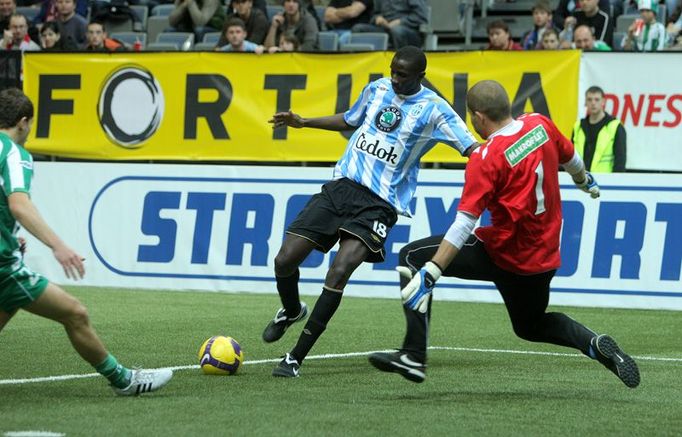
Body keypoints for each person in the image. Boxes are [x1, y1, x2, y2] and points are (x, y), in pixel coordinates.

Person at [367, 80, 640, 390]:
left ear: (479, 117)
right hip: (543, 259)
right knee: (530, 324)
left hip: (503, 253)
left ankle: (414, 356)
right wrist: (583, 179)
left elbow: (464, 223)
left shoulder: (486, 157)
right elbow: (572, 158)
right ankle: (593, 344)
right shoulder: (541, 125)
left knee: (411, 257)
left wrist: (431, 272)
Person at [263, 46, 478, 378]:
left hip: (379, 204)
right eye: (392, 70)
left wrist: (505, 158)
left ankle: (295, 357)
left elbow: (472, 148)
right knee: (284, 259)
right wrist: (303, 122)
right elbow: (350, 119)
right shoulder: (377, 89)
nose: (394, 78)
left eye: (402, 74)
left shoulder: (435, 110)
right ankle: (291, 310)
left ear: (420, 76)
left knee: (340, 270)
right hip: (341, 188)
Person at [0, 88, 173, 396]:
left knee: (10, 305)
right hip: (4, 267)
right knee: (75, 313)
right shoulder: (14, 154)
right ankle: (124, 380)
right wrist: (58, 246)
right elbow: (19, 204)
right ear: (24, 122)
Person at [572, 86, 626, 172]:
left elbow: (620, 161)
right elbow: (571, 157)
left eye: (597, 99)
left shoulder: (615, 126)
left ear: (603, 102)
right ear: (585, 102)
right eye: (589, 100)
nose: (593, 103)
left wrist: (616, 183)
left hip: (606, 182)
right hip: (580, 180)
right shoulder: (578, 126)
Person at [351, 0, 427, 49]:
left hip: (408, 30)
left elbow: (421, 16)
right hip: (384, 28)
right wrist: (378, 18)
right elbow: (374, 14)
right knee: (358, 29)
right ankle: (363, 64)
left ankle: (400, 61)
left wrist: (400, 22)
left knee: (397, 30)